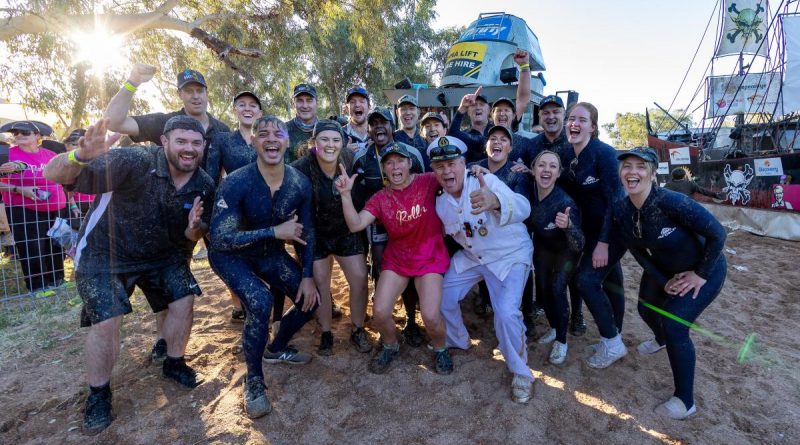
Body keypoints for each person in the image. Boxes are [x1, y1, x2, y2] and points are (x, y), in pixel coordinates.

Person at [43, 117, 215, 435]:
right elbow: (52, 174)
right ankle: (99, 394)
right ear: (164, 142)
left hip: (161, 257)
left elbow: (194, 234)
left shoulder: (203, 183)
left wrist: (194, 229)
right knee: (107, 320)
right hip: (104, 256)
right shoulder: (134, 160)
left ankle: (174, 362)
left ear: (203, 146)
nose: (188, 149)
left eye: (195, 143)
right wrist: (77, 157)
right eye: (181, 141)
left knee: (184, 298)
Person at [208, 116, 319, 419]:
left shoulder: (299, 183)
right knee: (260, 301)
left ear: (287, 141)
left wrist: (307, 276)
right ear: (254, 141)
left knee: (311, 300)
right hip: (231, 256)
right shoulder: (236, 182)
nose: (271, 139)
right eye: (264, 134)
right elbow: (220, 238)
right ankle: (254, 380)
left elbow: (308, 231)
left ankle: (277, 347)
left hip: (270, 253)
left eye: (278, 133)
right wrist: (274, 232)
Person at [613, 147, 727, 420]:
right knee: (645, 310)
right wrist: (663, 282)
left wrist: (700, 274)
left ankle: (685, 401)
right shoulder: (622, 209)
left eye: (641, 167)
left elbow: (717, 234)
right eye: (627, 166)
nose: (632, 172)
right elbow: (637, 251)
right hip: (664, 270)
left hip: (705, 269)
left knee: (675, 324)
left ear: (652, 174)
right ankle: (661, 340)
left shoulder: (671, 201)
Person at [431, 135, 535, 403]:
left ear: (463, 163)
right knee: (443, 296)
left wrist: (496, 201)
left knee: (507, 313)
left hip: (509, 255)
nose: (446, 171)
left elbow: (523, 207)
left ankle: (521, 372)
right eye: (440, 166)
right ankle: (458, 339)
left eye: (452, 164)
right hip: (473, 257)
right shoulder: (441, 200)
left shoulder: (484, 180)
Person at [337, 142, 452, 375]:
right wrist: (346, 195)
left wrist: (480, 171)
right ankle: (391, 343)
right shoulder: (380, 198)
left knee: (430, 315)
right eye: (389, 162)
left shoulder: (428, 181)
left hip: (430, 258)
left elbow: (453, 176)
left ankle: (441, 349)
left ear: (410, 163)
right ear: (384, 169)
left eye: (400, 160)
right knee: (379, 312)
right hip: (398, 260)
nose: (395, 166)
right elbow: (356, 224)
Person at [291, 120, 372, 355]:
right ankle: (326, 332)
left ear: (343, 143)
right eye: (324, 140)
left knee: (359, 277)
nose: (330, 145)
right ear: (314, 143)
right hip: (314, 234)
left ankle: (358, 328)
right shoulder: (300, 168)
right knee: (321, 283)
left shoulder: (349, 159)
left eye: (335, 140)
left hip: (345, 229)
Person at [560, 102, 627, 369]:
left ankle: (612, 341)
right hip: (589, 230)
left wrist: (603, 243)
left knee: (586, 280)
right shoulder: (568, 154)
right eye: (571, 118)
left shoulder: (605, 154)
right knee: (612, 281)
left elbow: (616, 202)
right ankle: (615, 336)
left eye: (581, 120)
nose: (574, 123)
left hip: (613, 231)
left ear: (593, 127)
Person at [353, 107, 426, 347]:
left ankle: (411, 321)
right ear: (370, 129)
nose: (378, 127)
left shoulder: (412, 153)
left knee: (410, 271)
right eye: (373, 124)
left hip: (410, 224)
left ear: (392, 126)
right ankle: (385, 319)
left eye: (383, 123)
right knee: (381, 271)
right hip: (377, 226)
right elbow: (357, 194)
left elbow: (424, 188)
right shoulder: (361, 157)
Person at [516, 94, 587, 336]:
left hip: (572, 212)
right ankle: (550, 315)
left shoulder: (572, 144)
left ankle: (576, 315)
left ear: (563, 116)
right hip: (542, 216)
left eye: (555, 111)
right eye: (545, 112)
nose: (550, 116)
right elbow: (523, 171)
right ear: (540, 117)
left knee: (572, 276)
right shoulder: (532, 144)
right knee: (545, 277)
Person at [103, 64, 230, 170]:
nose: (196, 96)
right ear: (179, 94)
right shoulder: (165, 123)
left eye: (200, 90)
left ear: (206, 93)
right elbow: (113, 122)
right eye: (189, 91)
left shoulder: (223, 130)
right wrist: (133, 82)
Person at [528, 150, 584, 365]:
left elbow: (580, 243)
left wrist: (568, 226)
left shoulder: (564, 202)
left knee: (557, 288)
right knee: (542, 289)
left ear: (559, 173)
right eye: (542, 165)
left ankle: (562, 340)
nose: (546, 170)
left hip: (566, 250)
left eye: (552, 166)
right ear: (533, 170)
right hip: (543, 245)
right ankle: (554, 327)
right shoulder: (529, 191)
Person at [471, 125, 532, 320]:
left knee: (518, 278)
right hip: (481, 236)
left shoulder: (517, 172)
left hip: (510, 241)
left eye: (503, 139)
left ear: (510, 148)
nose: (497, 142)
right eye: (493, 138)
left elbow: (522, 208)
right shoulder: (473, 168)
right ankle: (486, 301)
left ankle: (526, 311)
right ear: (486, 145)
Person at [0, 120, 67, 293]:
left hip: (55, 206)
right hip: (23, 208)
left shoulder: (50, 154)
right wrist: (18, 189)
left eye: (25, 132)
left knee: (55, 244)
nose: (19, 135)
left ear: (37, 136)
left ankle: (57, 280)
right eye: (16, 133)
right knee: (32, 247)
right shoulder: (6, 153)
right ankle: (38, 286)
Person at [448, 49, 532, 163]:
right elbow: (453, 135)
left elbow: (523, 98)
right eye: (498, 110)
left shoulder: (523, 142)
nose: (502, 113)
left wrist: (525, 66)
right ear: (491, 115)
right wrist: (462, 108)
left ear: (514, 116)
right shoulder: (483, 142)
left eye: (506, 110)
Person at [285, 83, 320, 163]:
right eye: (300, 101)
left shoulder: (327, 129)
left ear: (317, 103)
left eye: (309, 100)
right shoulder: (282, 130)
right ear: (294, 104)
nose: (305, 106)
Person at [393, 94, 429, 167]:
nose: (408, 112)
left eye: (411, 108)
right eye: (403, 109)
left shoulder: (427, 137)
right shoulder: (392, 139)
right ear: (397, 113)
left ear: (418, 112)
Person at [343, 86, 371, 151]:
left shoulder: (377, 133)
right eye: (352, 102)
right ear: (347, 108)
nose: (357, 105)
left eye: (361, 101)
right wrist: (345, 153)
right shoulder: (339, 135)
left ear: (369, 107)